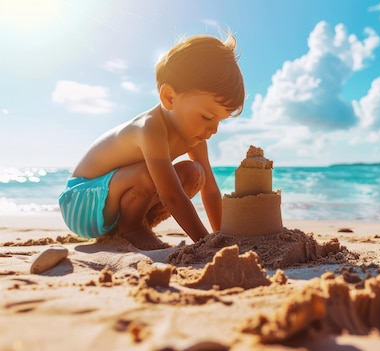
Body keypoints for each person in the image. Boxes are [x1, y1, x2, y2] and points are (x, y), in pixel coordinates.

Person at [58, 33, 245, 250]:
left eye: (219, 121)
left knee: (195, 173)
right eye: (207, 117)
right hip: (80, 203)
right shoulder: (150, 129)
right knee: (149, 174)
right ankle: (132, 228)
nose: (213, 129)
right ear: (169, 98)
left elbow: (210, 191)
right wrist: (206, 245)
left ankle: (133, 225)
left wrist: (222, 237)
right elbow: (172, 196)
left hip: (110, 205)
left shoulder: (195, 138)